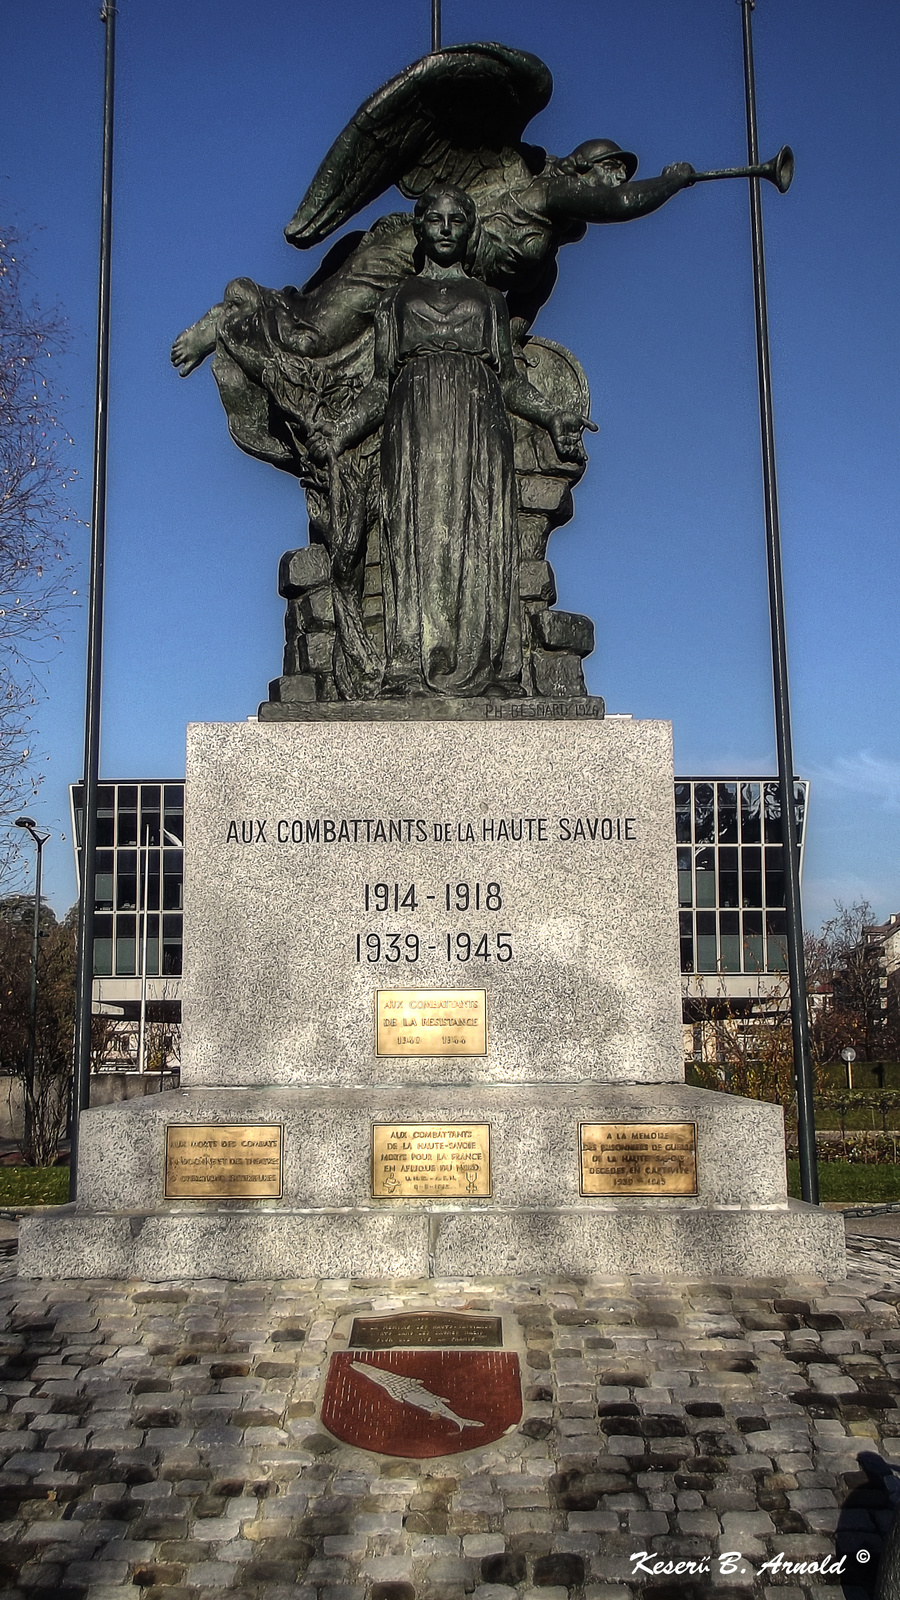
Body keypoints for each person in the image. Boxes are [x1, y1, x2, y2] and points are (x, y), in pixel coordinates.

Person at [305, 186, 593, 699]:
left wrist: (552, 415)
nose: (443, 228)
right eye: (434, 218)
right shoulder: (395, 301)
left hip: (479, 427)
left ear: (469, 229)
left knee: (479, 536)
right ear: (419, 228)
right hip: (412, 427)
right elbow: (378, 387)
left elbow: (507, 381)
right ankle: (409, 666)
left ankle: (493, 671)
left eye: (455, 219)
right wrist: (342, 430)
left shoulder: (490, 301)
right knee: (414, 539)